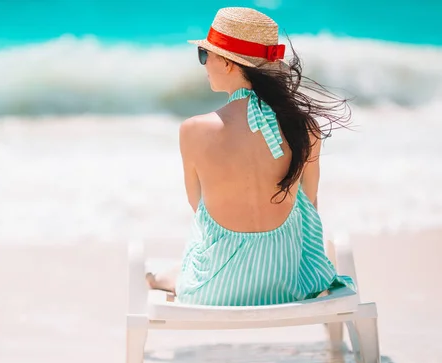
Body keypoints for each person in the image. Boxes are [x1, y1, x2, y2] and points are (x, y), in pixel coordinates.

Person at [146, 7, 355, 306]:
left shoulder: (193, 130)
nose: (203, 65)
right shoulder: (304, 128)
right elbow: (310, 204)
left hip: (214, 293)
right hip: (290, 284)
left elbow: (198, 207)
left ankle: (164, 278)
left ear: (229, 63)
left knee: (191, 257)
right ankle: (169, 276)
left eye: (205, 55)